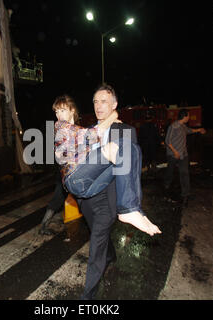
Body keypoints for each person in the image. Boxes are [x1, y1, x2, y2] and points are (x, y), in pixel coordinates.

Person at [61, 85, 159, 300]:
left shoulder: (125, 130)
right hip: (87, 196)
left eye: (104, 101)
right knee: (99, 234)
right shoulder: (88, 130)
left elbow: (127, 168)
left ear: (114, 105)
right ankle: (111, 254)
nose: (98, 106)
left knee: (97, 243)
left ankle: (88, 296)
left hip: (109, 196)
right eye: (95, 101)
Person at [38, 95, 76, 235]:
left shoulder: (72, 127)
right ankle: (43, 227)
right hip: (65, 174)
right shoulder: (60, 128)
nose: (58, 115)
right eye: (56, 111)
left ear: (72, 110)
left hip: (75, 174)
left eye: (62, 110)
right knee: (57, 200)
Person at [163, 109, 206, 207]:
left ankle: (185, 193)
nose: (189, 117)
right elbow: (167, 141)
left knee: (184, 173)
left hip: (183, 154)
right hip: (173, 155)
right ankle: (167, 184)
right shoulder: (173, 126)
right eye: (188, 116)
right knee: (170, 171)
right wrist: (175, 152)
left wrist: (199, 130)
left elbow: (190, 131)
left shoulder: (183, 126)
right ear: (184, 116)